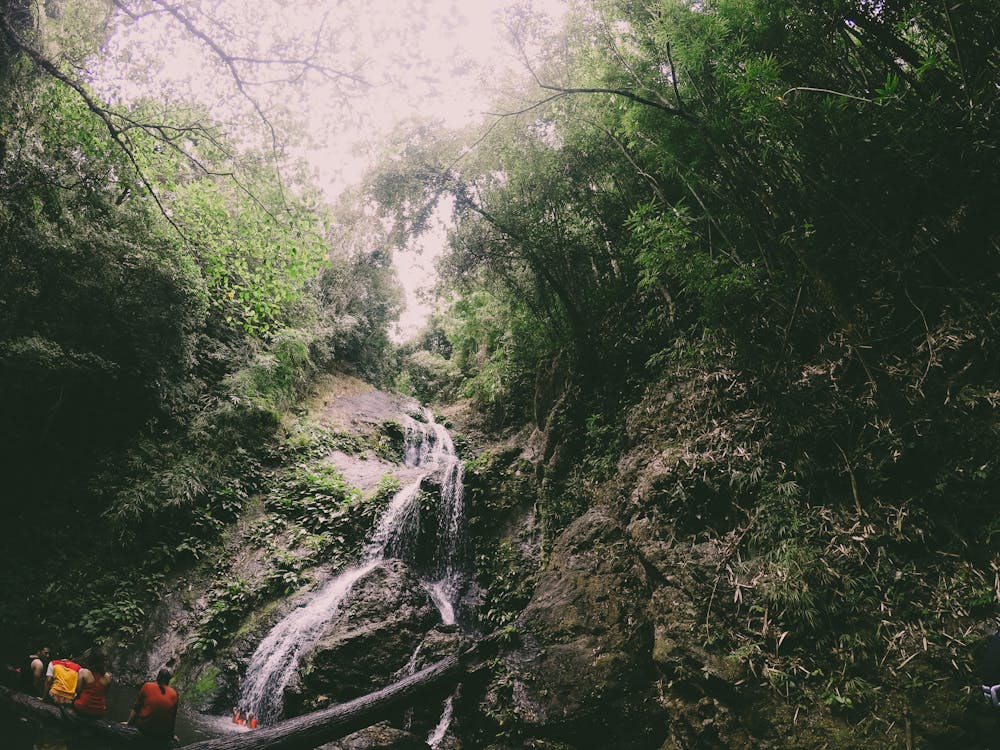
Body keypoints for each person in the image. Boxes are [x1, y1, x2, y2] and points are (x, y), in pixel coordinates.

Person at [125, 668, 179, 748]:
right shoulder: (174, 694)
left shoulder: (147, 686)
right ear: (168, 680)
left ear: (158, 678)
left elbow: (136, 707)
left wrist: (128, 723)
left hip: (145, 729)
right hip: (162, 733)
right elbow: (172, 718)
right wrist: (172, 735)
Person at [73, 650, 112, 717]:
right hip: (99, 710)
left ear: (90, 660)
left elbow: (78, 690)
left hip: (83, 707)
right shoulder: (108, 677)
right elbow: (105, 694)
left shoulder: (83, 672)